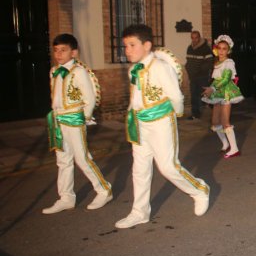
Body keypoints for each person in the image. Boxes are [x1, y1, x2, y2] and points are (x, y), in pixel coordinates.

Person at [115, 24, 210, 229]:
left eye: (132, 45)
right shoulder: (133, 69)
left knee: (168, 167)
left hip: (160, 123)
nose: (127, 50)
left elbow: (176, 96)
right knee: (139, 169)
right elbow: (135, 97)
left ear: (147, 45)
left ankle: (199, 189)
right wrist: (132, 116)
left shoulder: (160, 67)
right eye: (126, 46)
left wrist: (173, 117)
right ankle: (139, 212)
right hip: (140, 124)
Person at [43, 34, 112, 214]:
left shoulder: (79, 72)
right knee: (63, 160)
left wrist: (85, 117)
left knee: (82, 158)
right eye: (56, 50)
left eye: (63, 50)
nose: (59, 54)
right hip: (58, 119)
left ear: (73, 52)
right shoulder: (53, 71)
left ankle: (104, 190)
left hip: (74, 119)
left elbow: (89, 98)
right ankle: (66, 197)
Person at [202, 35, 244, 158]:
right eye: (219, 48)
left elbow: (226, 79)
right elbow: (216, 79)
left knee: (225, 122)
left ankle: (234, 149)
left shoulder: (229, 62)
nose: (221, 51)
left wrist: (212, 88)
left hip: (226, 92)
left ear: (228, 50)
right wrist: (211, 88)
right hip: (217, 92)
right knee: (215, 122)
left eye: (224, 48)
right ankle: (225, 144)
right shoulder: (217, 62)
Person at [185, 31, 212, 120]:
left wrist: (199, 71)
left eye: (196, 37)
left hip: (202, 76)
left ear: (199, 37)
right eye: (192, 37)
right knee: (193, 95)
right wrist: (188, 70)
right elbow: (188, 61)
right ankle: (195, 114)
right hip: (193, 77)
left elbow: (208, 62)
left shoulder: (206, 48)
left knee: (201, 95)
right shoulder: (189, 48)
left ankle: (209, 109)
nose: (194, 39)